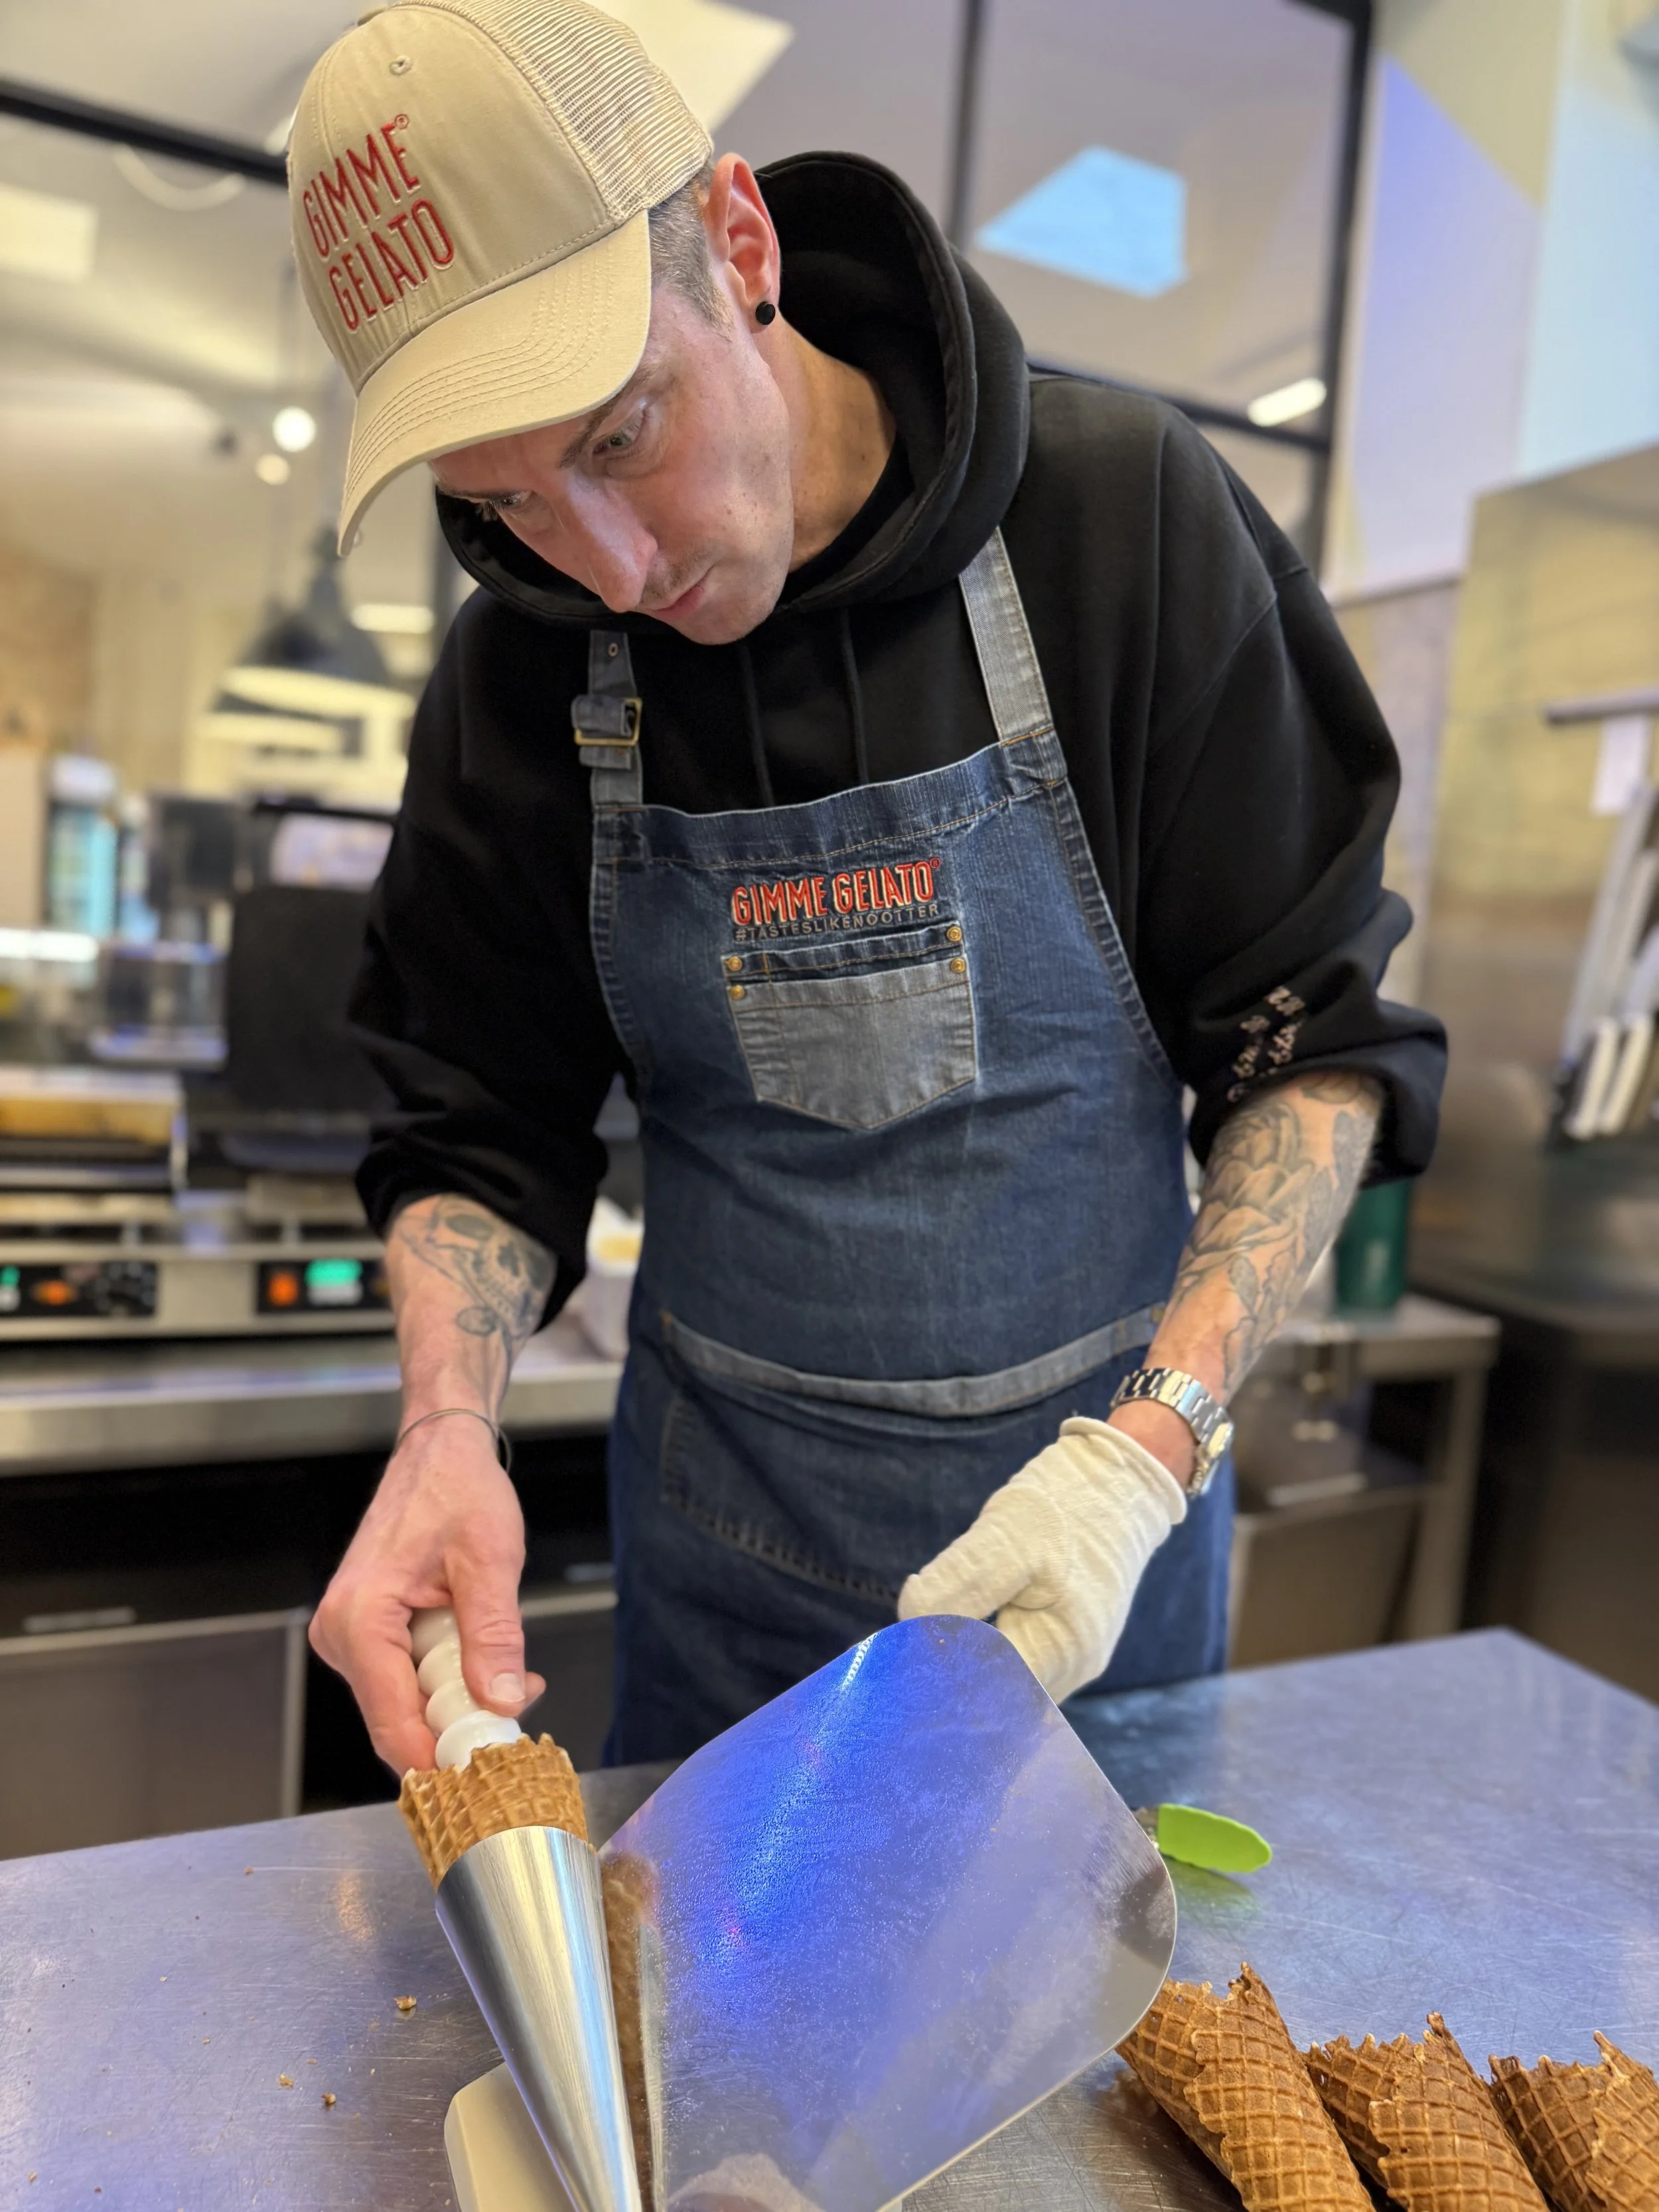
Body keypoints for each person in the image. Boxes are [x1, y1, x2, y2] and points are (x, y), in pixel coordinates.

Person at [288, 0, 1445, 1775]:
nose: (607, 564)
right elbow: (474, 1117)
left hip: (1085, 1581)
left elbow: (1305, 1038)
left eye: (617, 436)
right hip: (726, 1590)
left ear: (739, 247)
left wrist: (1147, 1449)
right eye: (502, 499)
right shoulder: (523, 669)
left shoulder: (1118, 526)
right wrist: (447, 1422)